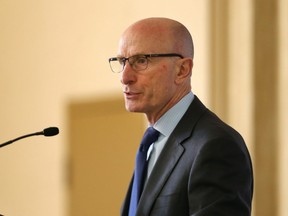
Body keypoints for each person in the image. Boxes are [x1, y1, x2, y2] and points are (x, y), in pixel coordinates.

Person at [109, 17, 253, 216]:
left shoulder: (216, 145)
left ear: (182, 70)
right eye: (122, 62)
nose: (125, 77)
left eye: (141, 61)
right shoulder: (152, 143)